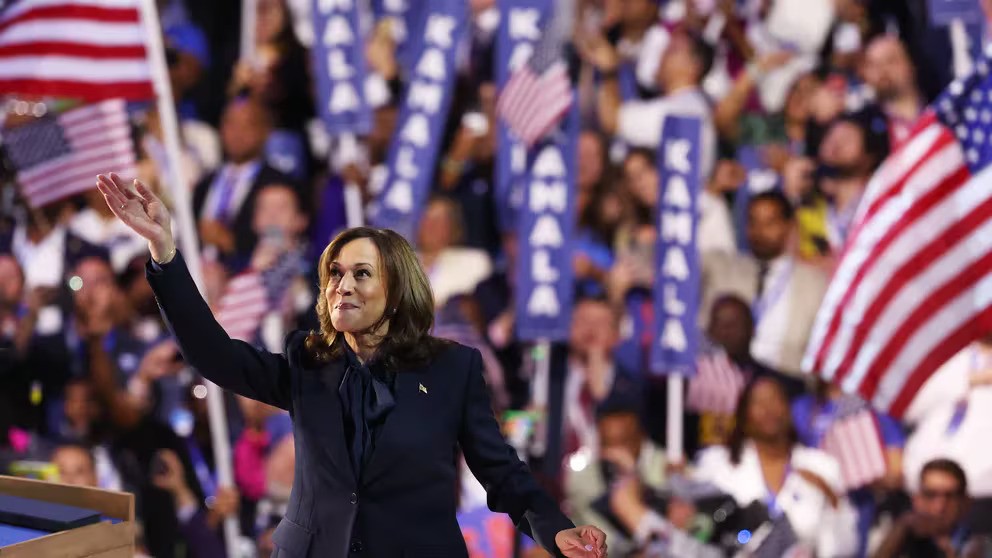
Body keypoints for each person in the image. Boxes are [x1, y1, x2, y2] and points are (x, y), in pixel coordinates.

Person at [94, 173, 608, 558]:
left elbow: (502, 473)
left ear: (397, 289)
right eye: (335, 274)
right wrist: (164, 250)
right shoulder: (306, 361)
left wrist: (555, 528)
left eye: (362, 273)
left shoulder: (454, 369)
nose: (343, 285)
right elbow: (214, 355)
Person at [693, 376, 859, 555]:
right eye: (758, 402)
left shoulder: (822, 467)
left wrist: (831, 498)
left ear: (788, 409)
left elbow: (846, 548)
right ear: (743, 414)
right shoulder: (716, 464)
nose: (768, 409)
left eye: (774, 399)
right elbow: (696, 528)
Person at [873, 458, 988, 558]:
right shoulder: (901, 541)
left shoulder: (980, 544)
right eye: (930, 495)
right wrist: (901, 530)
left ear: (966, 502)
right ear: (917, 500)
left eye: (950, 496)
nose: (940, 506)